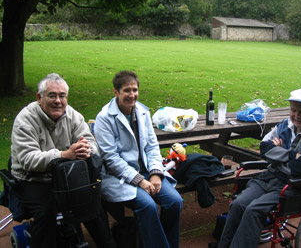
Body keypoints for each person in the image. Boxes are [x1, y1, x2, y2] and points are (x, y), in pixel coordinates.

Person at [217, 88, 301, 248]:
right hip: (270, 177)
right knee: (238, 204)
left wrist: (279, 154)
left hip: (296, 187)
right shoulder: (286, 124)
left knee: (253, 210)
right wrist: (293, 155)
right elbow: (264, 148)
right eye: (293, 110)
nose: (296, 116)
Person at [10, 73, 116, 248]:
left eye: (62, 96)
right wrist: (64, 155)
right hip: (33, 179)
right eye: (52, 95)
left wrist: (85, 149)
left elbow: (92, 143)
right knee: (46, 211)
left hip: (67, 177)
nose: (58, 101)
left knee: (92, 202)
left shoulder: (73, 116)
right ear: (39, 97)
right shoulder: (25, 120)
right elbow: (28, 160)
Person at [94, 70, 183, 248]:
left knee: (175, 202)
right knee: (147, 206)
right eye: (127, 90)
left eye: (135, 90)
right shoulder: (104, 119)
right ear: (116, 92)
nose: (132, 95)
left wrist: (156, 173)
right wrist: (140, 181)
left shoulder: (142, 112)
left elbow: (152, 146)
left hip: (147, 171)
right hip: (119, 177)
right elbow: (111, 159)